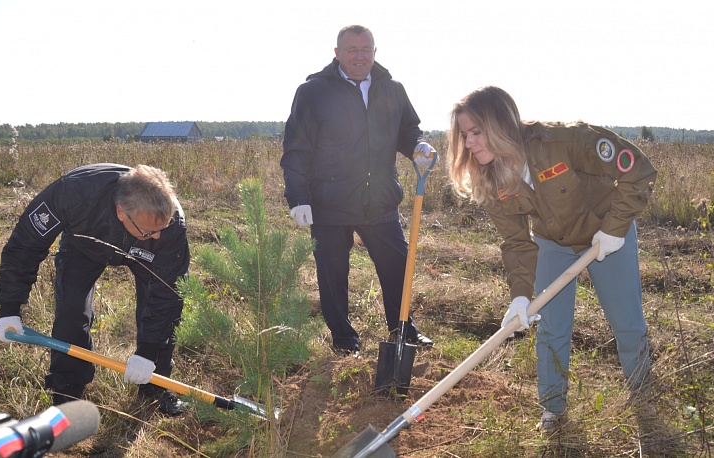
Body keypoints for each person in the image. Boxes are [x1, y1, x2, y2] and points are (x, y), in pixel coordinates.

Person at [446, 86, 657, 430]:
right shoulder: (490, 176)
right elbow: (516, 242)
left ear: (501, 124)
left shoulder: (564, 140)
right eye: (465, 135)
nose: (468, 143)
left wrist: (615, 229)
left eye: (476, 132)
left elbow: (638, 171)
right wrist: (519, 296)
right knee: (551, 328)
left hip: (607, 234)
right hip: (554, 243)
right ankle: (553, 411)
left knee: (627, 324)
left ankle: (644, 397)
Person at [281, 25, 435, 357]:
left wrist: (418, 145)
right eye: (351, 50)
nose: (359, 56)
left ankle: (403, 328)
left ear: (375, 52)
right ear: (337, 54)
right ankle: (344, 339)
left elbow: (408, 129)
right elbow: (296, 148)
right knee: (333, 271)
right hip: (329, 201)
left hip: (378, 197)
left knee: (397, 264)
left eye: (366, 49)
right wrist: (298, 197)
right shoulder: (313, 92)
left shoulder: (392, 90)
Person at [0, 163, 190, 416]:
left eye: (160, 229)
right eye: (149, 230)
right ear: (121, 212)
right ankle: (68, 386)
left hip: (147, 257)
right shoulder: (72, 194)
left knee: (161, 312)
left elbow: (168, 293)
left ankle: (156, 384)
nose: (156, 236)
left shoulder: (168, 228)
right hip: (84, 245)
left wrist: (147, 351)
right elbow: (24, 247)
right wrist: (9, 308)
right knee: (71, 310)